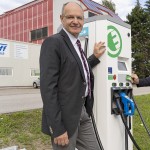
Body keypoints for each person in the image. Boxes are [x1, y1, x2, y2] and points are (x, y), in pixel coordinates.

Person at [40, 2, 106, 150]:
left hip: (82, 111)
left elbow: (77, 69)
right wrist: (58, 128)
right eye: (70, 17)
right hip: (64, 116)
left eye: (79, 17)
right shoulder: (53, 43)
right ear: (61, 18)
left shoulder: (76, 44)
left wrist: (94, 57)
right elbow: (48, 89)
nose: (75, 21)